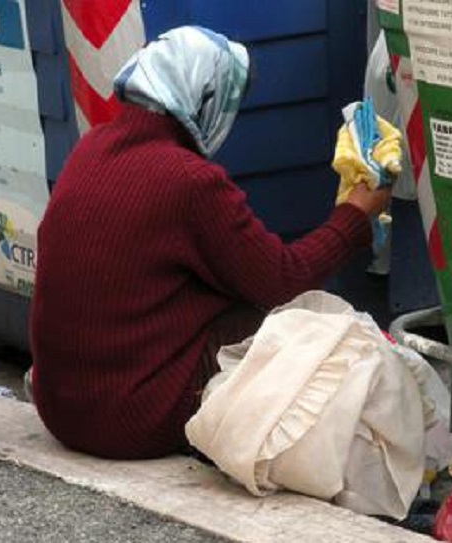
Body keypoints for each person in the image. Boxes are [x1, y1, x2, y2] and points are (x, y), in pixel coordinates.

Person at [28, 26, 391, 460]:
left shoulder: (91, 147)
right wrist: (355, 214)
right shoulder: (189, 181)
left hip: (61, 410)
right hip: (129, 422)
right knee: (290, 322)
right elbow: (284, 280)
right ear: (205, 100)